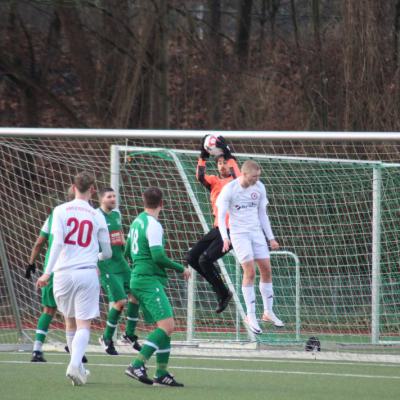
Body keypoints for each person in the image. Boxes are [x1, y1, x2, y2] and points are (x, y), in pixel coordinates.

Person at [36, 172, 112, 386]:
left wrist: (46, 273)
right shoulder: (97, 216)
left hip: (61, 274)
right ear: (93, 189)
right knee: (83, 324)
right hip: (86, 272)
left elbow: (57, 243)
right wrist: (93, 256)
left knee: (69, 321)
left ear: (73, 187)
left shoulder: (59, 210)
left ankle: (77, 368)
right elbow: (107, 253)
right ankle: (74, 364)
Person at [124, 187, 191, 387]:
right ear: (162, 203)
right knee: (168, 326)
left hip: (139, 277)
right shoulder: (153, 225)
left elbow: (127, 251)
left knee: (165, 328)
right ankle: (137, 364)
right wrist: (181, 268)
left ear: (144, 202)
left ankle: (161, 374)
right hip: (147, 280)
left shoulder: (136, 222)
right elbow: (158, 256)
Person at [216, 160, 284, 334]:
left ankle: (268, 312)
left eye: (258, 176)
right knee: (250, 272)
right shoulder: (229, 190)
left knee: (267, 270)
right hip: (239, 235)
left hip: (256, 233)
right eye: (254, 176)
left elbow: (263, 214)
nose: (257, 179)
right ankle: (250, 315)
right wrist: (225, 238)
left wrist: (271, 238)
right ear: (244, 174)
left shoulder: (259, 187)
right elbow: (222, 214)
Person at [27, 187, 88, 363]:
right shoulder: (87, 215)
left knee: (48, 310)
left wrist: (31, 263)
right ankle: (76, 351)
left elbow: (39, 242)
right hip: (75, 269)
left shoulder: (55, 214)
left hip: (52, 269)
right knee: (77, 313)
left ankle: (37, 350)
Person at [186, 136, 239, 313]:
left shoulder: (238, 182)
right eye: (219, 163)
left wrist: (229, 154)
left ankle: (222, 292)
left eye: (225, 163)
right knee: (192, 258)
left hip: (232, 231)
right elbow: (200, 176)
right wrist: (203, 155)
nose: (222, 166)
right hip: (218, 229)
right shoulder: (215, 182)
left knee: (205, 259)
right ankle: (222, 291)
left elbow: (238, 175)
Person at [97, 187, 141, 355]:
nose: (113, 199)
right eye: (109, 196)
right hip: (107, 264)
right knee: (120, 302)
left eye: (114, 196)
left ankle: (129, 334)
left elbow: (120, 235)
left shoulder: (116, 214)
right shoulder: (96, 216)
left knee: (136, 294)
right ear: (102, 199)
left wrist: (127, 249)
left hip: (121, 261)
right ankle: (106, 337)